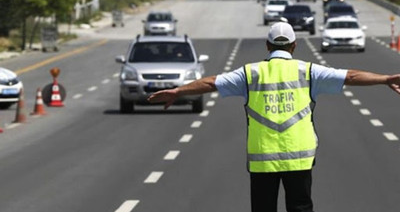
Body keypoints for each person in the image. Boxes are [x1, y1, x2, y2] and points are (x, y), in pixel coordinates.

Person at [147, 22, 400, 212]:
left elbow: (212, 83)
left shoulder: (250, 73)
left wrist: (179, 91)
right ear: (294, 46)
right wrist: (386, 79)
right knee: (301, 207)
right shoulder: (308, 71)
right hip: (299, 159)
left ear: (267, 46)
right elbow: (351, 77)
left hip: (262, 161)